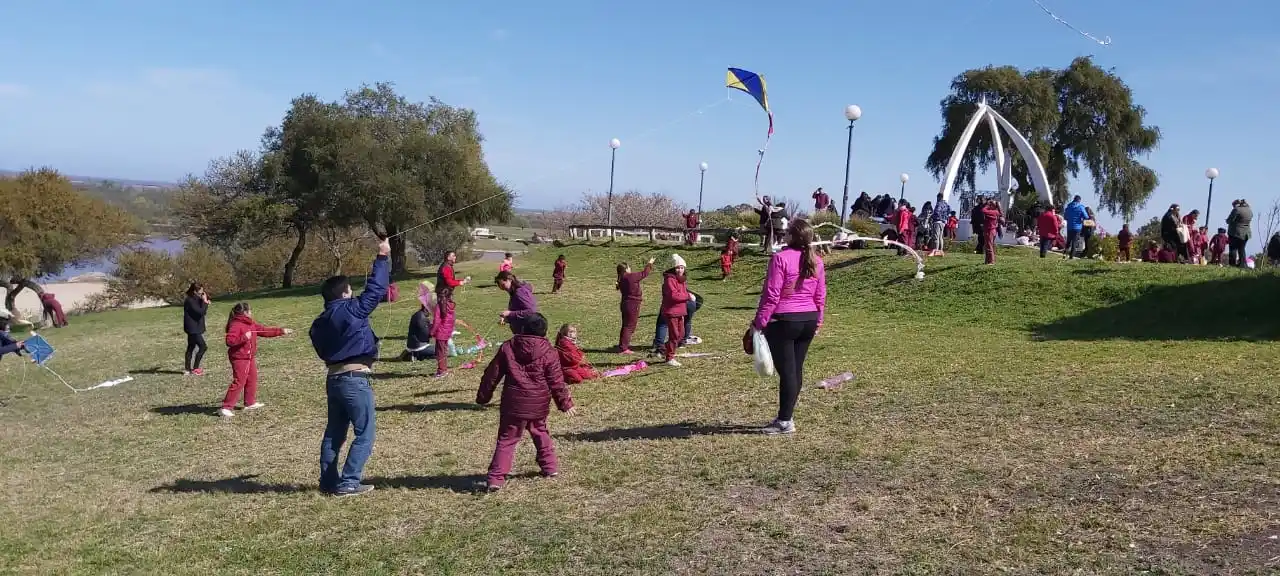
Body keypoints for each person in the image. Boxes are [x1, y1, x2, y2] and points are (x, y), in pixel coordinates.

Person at [310, 237, 391, 497]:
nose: (352, 293)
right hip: (355, 380)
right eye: (350, 291)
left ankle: (328, 482)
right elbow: (376, 290)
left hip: (333, 380)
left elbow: (322, 351)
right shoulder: (352, 309)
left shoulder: (318, 323)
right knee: (364, 433)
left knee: (334, 433)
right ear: (345, 293)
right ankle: (348, 483)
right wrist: (382, 257)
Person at [476, 312, 575, 491]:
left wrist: (484, 395)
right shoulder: (547, 351)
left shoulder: (509, 347)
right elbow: (557, 381)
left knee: (507, 439)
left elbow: (492, 374)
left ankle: (496, 478)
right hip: (537, 404)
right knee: (540, 432)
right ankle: (550, 467)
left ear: (522, 329)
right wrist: (565, 402)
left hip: (513, 405)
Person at [749, 219, 826, 436]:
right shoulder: (817, 261)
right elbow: (820, 295)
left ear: (792, 236)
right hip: (808, 319)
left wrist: (759, 322)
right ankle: (786, 417)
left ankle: (785, 420)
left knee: (788, 372)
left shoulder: (780, 259)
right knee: (795, 370)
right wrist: (818, 320)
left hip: (784, 320)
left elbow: (772, 295)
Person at [220, 302, 291, 418]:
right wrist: (244, 337)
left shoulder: (250, 324)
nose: (252, 313)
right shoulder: (236, 325)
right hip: (239, 358)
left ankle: (249, 403)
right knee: (239, 381)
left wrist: (281, 331)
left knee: (252, 378)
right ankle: (226, 407)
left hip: (249, 357)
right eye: (250, 311)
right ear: (245, 313)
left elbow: (264, 331)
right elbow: (229, 341)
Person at [615, 258, 655, 354]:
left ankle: (622, 345)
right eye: (629, 267)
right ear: (626, 269)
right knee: (629, 326)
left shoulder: (621, 279)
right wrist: (650, 263)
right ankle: (624, 348)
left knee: (625, 325)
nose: (630, 268)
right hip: (632, 304)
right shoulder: (630, 277)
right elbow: (645, 273)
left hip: (625, 304)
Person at [659, 254, 691, 367]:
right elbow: (674, 295)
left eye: (682, 267)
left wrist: (688, 294)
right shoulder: (669, 280)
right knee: (674, 335)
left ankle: (663, 349)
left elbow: (683, 292)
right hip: (671, 311)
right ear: (673, 268)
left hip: (680, 311)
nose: (680, 270)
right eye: (678, 267)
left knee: (680, 335)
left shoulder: (682, 280)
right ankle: (669, 358)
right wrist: (687, 296)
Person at [652, 289, 702, 356]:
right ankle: (681, 342)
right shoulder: (682, 283)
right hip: (690, 302)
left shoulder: (670, 282)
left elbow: (673, 295)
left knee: (662, 323)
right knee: (686, 321)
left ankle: (659, 345)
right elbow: (699, 299)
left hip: (676, 303)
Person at [183, 282, 210, 376]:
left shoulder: (196, 298)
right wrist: (205, 302)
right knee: (203, 347)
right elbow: (200, 312)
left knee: (191, 347)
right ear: (194, 291)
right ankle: (195, 368)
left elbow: (202, 309)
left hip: (195, 327)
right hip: (192, 328)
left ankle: (187, 369)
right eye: (200, 291)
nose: (202, 292)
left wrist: (204, 300)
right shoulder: (189, 300)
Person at [432, 286, 457, 377]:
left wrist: (432, 331)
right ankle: (444, 369)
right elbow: (452, 319)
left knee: (440, 352)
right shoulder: (451, 306)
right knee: (444, 351)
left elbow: (436, 321)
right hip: (447, 332)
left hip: (440, 333)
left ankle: (441, 371)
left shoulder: (439, 306)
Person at [1227, 199, 1253, 268]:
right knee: (1242, 249)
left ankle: (1232, 264)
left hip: (1235, 233)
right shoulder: (1249, 210)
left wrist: (1228, 220)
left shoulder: (1237, 209)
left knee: (1233, 249)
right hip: (1246, 233)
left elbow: (1229, 220)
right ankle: (1243, 264)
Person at [980, 200, 1003, 265]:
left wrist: (987, 205)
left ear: (994, 206)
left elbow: (983, 210)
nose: (989, 205)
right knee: (988, 246)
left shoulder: (993, 212)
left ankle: (991, 261)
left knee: (989, 246)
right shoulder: (996, 212)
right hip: (992, 230)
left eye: (991, 204)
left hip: (990, 230)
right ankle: (987, 261)